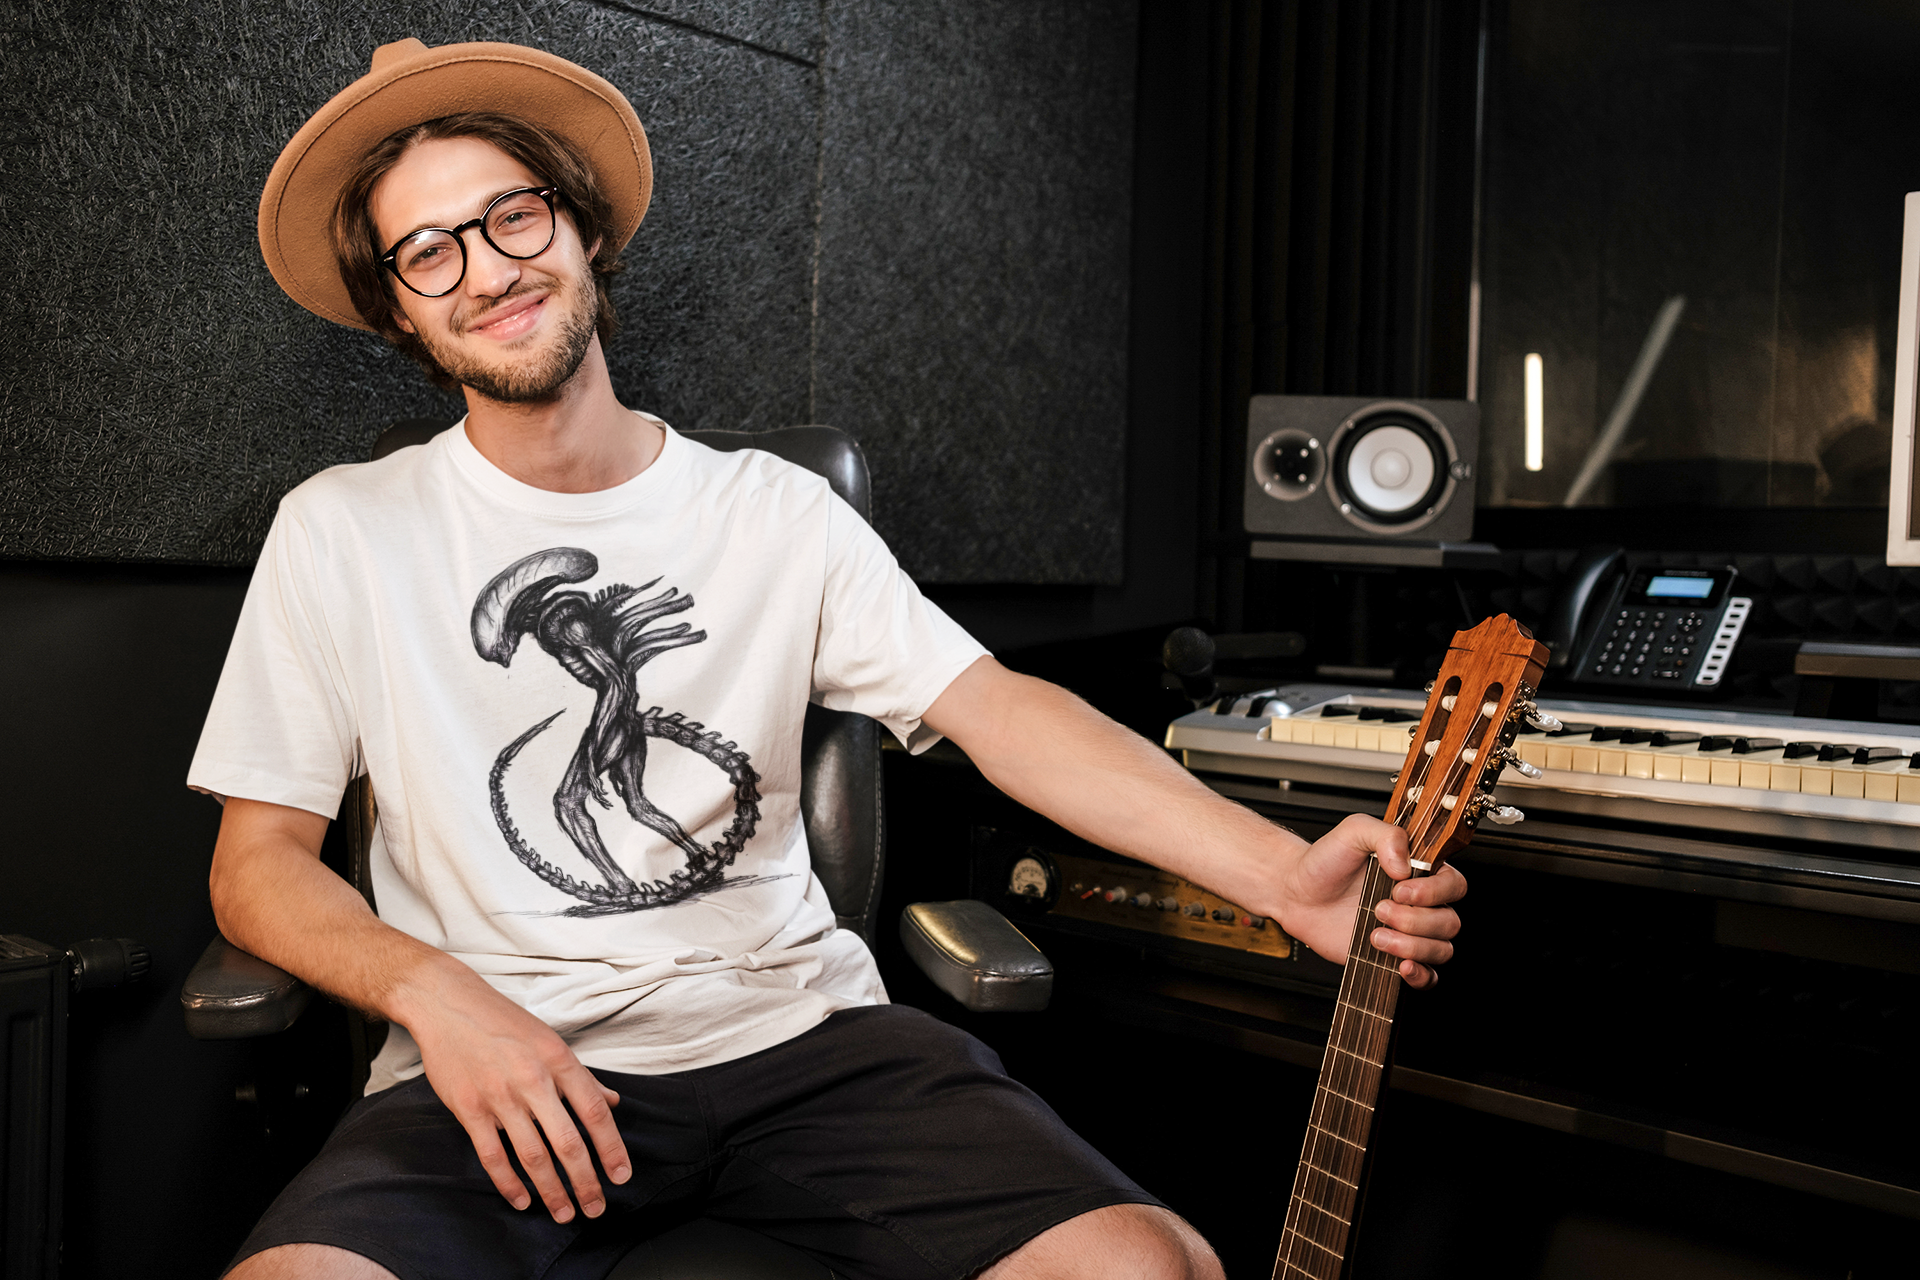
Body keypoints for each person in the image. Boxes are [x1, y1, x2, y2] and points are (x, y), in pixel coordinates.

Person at [191, 38, 1467, 1280]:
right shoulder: (342, 529)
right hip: (495, 1062)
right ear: (398, 310)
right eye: (429, 251)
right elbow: (257, 865)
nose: (487, 270)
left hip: (798, 1041)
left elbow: (1000, 711)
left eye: (512, 215)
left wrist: (1279, 873)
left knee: (1147, 1263)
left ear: (581, 228)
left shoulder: (776, 512)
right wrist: (437, 996)